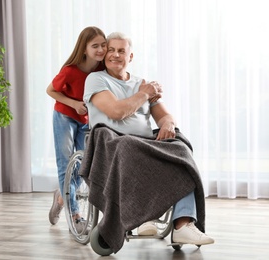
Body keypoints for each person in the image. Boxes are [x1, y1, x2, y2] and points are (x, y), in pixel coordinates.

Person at [83, 32, 214, 245]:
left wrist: (169, 124)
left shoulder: (141, 83)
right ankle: (144, 218)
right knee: (128, 145)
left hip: (143, 142)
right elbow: (116, 112)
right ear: (105, 54)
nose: (115, 55)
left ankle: (183, 224)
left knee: (180, 148)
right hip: (112, 142)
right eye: (111, 50)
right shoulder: (96, 80)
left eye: (121, 51)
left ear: (130, 57)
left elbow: (164, 115)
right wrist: (144, 94)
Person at [46, 26, 107, 232]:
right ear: (84, 49)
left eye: (103, 45)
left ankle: (61, 198)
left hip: (86, 119)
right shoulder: (71, 70)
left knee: (82, 166)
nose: (100, 49)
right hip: (65, 115)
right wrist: (73, 104)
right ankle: (75, 216)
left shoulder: (101, 69)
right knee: (65, 164)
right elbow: (51, 90)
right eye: (95, 46)